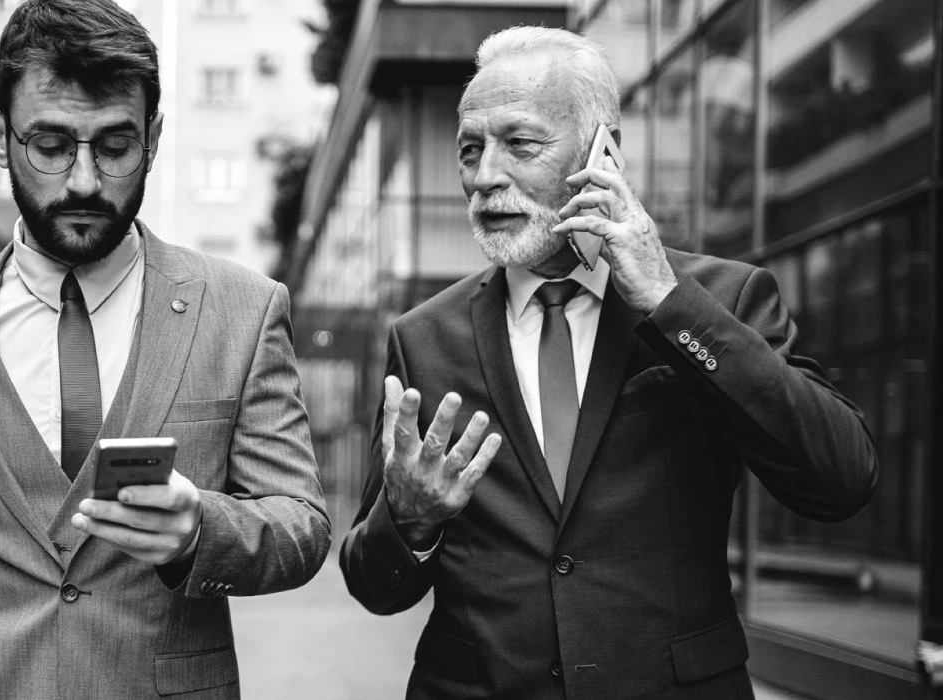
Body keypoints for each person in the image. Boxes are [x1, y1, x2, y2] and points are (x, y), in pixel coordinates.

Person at [340, 26, 877, 700]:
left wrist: (670, 303)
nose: (485, 176)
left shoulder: (723, 299)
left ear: (603, 153)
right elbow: (373, 584)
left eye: (520, 143)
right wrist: (410, 520)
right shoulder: (423, 338)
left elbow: (841, 479)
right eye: (470, 149)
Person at [0, 2, 330, 697]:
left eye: (114, 147)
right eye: (50, 145)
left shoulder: (244, 310)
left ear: (154, 137)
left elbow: (302, 526)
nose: (83, 180)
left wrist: (199, 532)